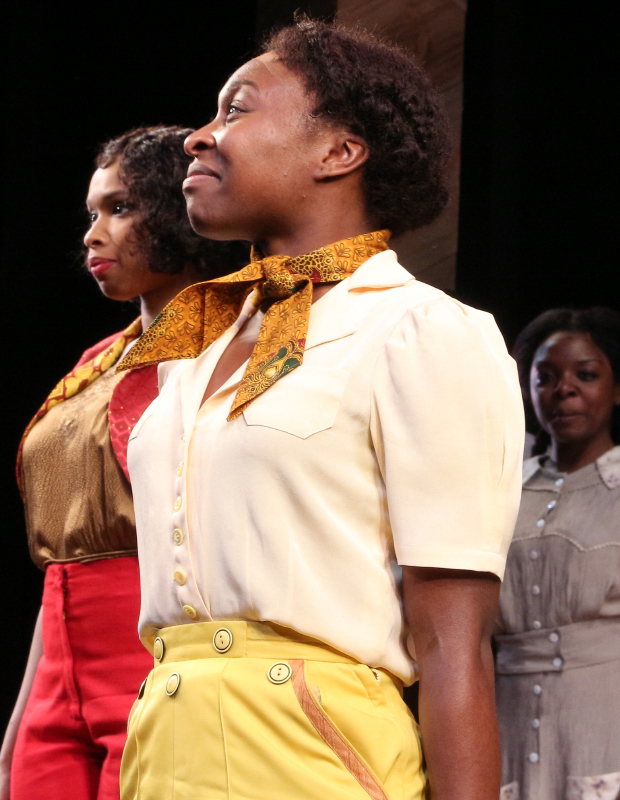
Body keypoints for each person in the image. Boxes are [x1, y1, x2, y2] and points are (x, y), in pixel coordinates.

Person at [118, 21, 524, 800]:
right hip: (164, 741)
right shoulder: (194, 349)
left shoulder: (420, 332)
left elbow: (453, 642)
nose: (198, 139)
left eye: (236, 110)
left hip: (317, 753)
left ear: (339, 152)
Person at [0, 125, 247, 800]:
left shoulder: (232, 349)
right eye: (91, 214)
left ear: (176, 209)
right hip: (59, 665)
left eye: (119, 208)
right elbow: (62, 561)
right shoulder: (93, 364)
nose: (92, 234)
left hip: (161, 654)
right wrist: (26, 707)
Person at [495, 307, 620, 800]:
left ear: (616, 388)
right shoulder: (500, 490)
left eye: (585, 375)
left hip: (602, 716)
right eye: (544, 377)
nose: (563, 389)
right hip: (506, 715)